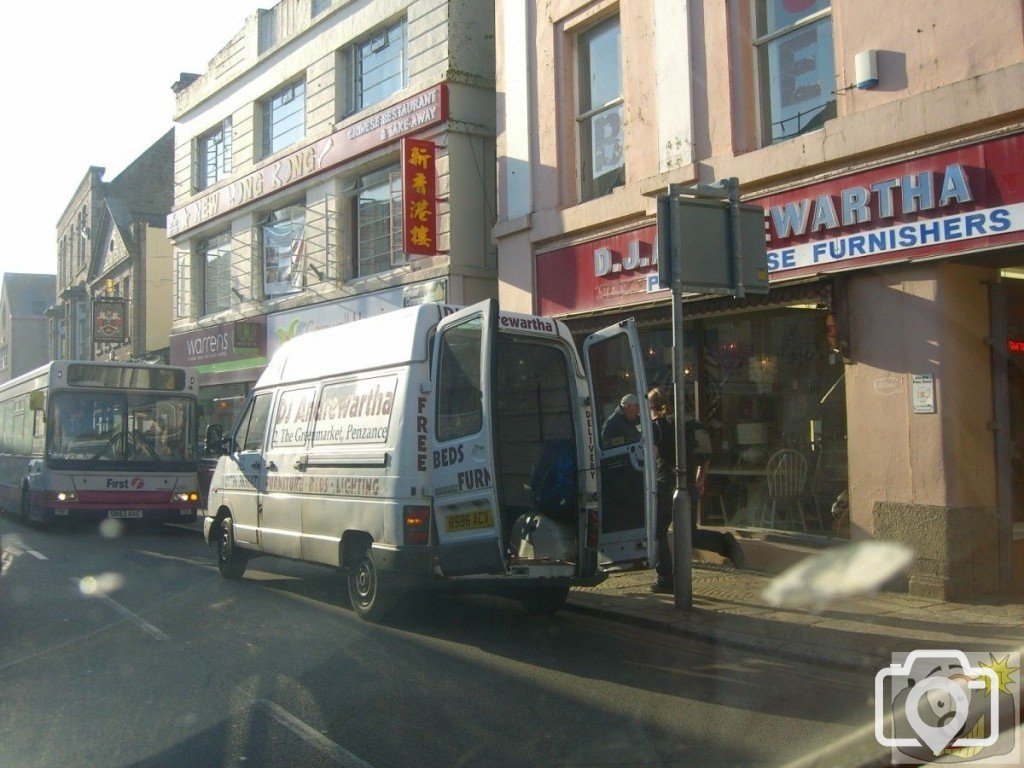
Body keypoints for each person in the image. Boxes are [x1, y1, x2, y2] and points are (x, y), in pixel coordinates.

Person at [648, 387, 744, 594]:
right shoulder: (690, 423)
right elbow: (705, 455)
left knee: (657, 533)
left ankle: (665, 580)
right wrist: (700, 479)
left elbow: (650, 458)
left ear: (652, 407)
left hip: (665, 487)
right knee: (688, 533)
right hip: (689, 486)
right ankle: (726, 544)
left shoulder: (657, 427)